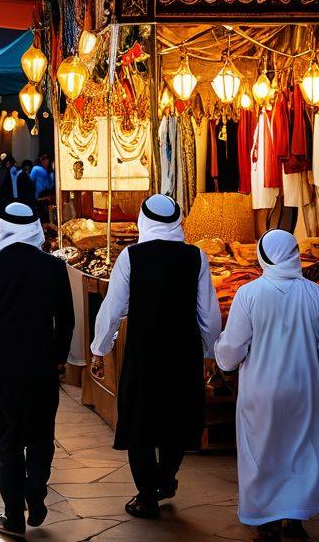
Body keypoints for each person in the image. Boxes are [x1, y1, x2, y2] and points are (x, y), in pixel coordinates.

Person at [90, 194, 221, 519]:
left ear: (143, 221)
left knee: (140, 420)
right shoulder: (196, 257)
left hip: (144, 351)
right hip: (183, 350)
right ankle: (165, 478)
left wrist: (99, 349)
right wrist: (209, 352)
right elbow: (209, 313)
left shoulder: (131, 256)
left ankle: (147, 494)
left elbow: (113, 308)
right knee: (177, 417)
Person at [215, 230, 319, 541]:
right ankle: (295, 515)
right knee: (300, 450)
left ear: (263, 256)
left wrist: (223, 360)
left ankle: (267, 520)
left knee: (262, 452)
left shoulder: (249, 294)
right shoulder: (317, 295)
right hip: (303, 387)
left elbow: (233, 346)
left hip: (260, 389)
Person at [0, 203, 74, 538]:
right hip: (41, 364)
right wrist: (60, 357)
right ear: (35, 229)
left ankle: (13, 517)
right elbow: (66, 318)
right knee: (40, 434)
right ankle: (35, 495)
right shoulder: (53, 266)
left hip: (1, 366)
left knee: (6, 438)